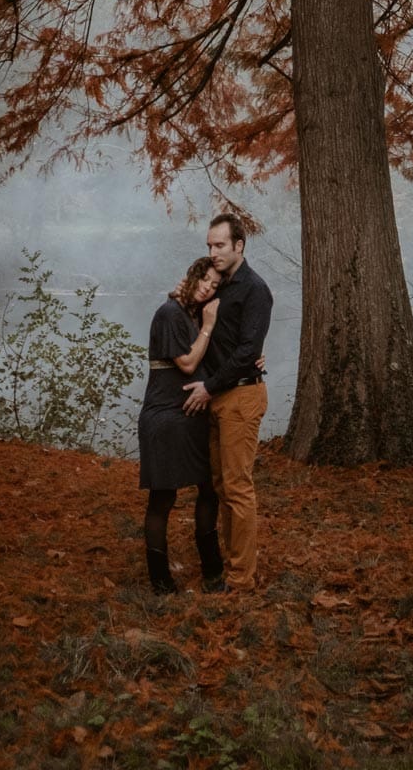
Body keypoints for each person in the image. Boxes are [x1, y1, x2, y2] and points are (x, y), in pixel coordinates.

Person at [181, 213, 273, 591]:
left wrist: (209, 387)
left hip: (240, 397)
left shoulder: (255, 290)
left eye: (220, 245)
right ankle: (232, 568)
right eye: (209, 246)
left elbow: (248, 350)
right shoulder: (217, 284)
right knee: (221, 485)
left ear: (239, 246)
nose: (213, 252)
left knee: (237, 488)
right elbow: (201, 321)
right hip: (218, 395)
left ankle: (241, 579)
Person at [137, 257, 225, 594]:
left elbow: (210, 358)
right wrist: (208, 324)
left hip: (191, 418)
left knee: (209, 489)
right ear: (191, 276)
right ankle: (161, 583)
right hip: (165, 418)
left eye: (215, 285)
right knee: (163, 498)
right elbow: (187, 364)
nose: (207, 286)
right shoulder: (170, 313)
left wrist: (254, 359)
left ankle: (212, 571)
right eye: (204, 279)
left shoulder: (189, 313)